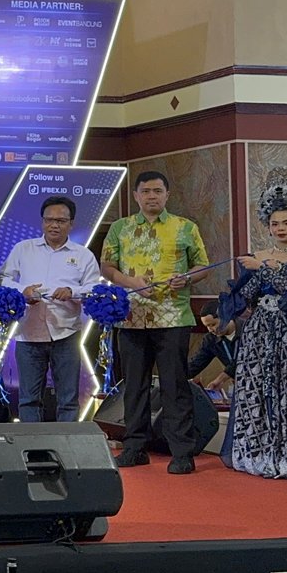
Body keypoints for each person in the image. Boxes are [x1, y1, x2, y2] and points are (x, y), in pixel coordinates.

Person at [101, 170, 210, 474]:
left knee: (175, 385)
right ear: (136, 195)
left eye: (158, 191)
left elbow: (203, 266)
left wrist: (186, 278)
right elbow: (107, 266)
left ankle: (182, 452)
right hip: (131, 318)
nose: (152, 196)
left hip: (173, 317)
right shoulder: (120, 228)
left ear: (167, 195)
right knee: (134, 385)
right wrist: (130, 283)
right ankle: (135, 447)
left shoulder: (185, 227)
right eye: (146, 191)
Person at [217, 169, 287, 479]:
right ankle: (260, 452)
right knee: (257, 389)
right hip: (259, 332)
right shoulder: (260, 254)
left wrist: (264, 267)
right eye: (275, 224)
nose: (280, 229)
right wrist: (253, 272)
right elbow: (247, 297)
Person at [0, 195, 103, 423]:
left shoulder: (83, 255)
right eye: (49, 220)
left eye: (61, 221)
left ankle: (67, 442)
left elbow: (94, 289)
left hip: (66, 334)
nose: (54, 225)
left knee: (68, 399)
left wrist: (72, 291)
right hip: (28, 334)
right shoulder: (23, 249)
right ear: (42, 221)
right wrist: (23, 291)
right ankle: (31, 442)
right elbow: (3, 279)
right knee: (28, 399)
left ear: (71, 224)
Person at [189, 299, 234, 393]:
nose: (210, 330)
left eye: (213, 324)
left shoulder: (247, 330)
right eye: (207, 326)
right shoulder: (211, 339)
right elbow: (196, 364)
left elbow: (241, 360)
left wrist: (220, 379)